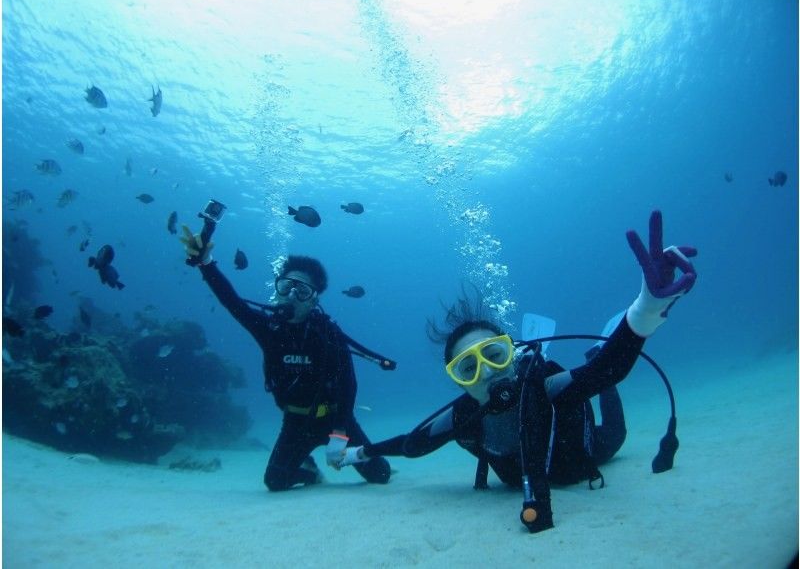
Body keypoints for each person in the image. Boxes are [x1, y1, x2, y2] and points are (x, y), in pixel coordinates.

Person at [335, 210, 697, 533]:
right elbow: (411, 444)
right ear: (459, 380)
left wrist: (644, 312)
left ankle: (598, 345)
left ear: (511, 354)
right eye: (469, 368)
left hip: (585, 455)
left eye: (494, 355)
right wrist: (359, 454)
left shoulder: (545, 387)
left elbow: (607, 372)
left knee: (613, 426)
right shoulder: (465, 414)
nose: (487, 372)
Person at [180, 227, 391, 491]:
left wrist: (339, 433)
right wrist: (206, 264)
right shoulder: (268, 329)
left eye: (302, 291)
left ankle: (352, 453)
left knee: (380, 475)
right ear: (277, 289)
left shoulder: (328, 334)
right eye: (287, 286)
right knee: (275, 482)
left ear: (314, 299)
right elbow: (231, 301)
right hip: (295, 422)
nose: (292, 295)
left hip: (336, 419)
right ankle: (310, 472)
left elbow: (348, 385)